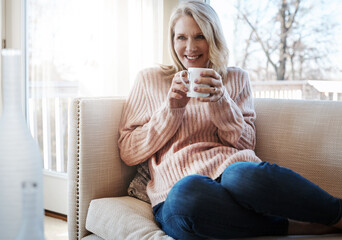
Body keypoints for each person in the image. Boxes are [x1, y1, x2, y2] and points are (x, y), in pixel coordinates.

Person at [118, 1, 342, 239]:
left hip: (231, 175)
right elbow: (128, 151)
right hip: (180, 195)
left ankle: (336, 214)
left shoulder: (235, 78)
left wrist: (221, 102)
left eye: (200, 36)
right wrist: (170, 111)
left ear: (213, 38)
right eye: (181, 37)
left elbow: (246, 145)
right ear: (172, 41)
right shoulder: (149, 80)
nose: (190, 47)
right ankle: (292, 226)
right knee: (189, 190)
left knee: (242, 174)